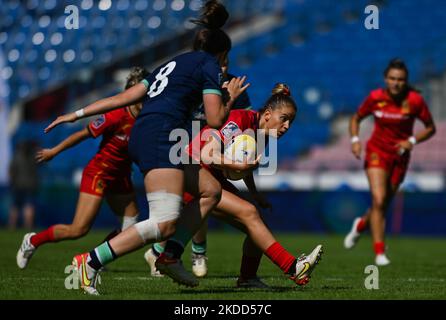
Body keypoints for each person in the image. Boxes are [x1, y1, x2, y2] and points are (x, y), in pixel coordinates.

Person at [45, 0, 249, 295]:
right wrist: (228, 96)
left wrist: (76, 114)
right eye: (226, 60)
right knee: (163, 223)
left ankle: (169, 257)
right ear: (222, 54)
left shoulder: (174, 62)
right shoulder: (210, 66)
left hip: (153, 133)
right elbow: (216, 120)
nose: (226, 66)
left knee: (211, 191)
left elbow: (124, 98)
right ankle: (89, 261)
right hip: (162, 135)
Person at [155, 83, 323, 289]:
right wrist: (240, 165)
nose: (287, 126)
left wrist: (255, 193)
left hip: (209, 177)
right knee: (249, 214)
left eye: (291, 122)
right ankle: (293, 268)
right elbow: (209, 154)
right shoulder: (239, 119)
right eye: (284, 119)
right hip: (193, 173)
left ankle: (248, 278)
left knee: (258, 227)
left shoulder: (261, 135)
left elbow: (244, 167)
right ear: (268, 115)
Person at [16, 67, 149, 269]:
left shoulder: (149, 116)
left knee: (130, 224)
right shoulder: (116, 114)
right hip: (100, 173)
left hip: (121, 175)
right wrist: (54, 151)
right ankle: (33, 241)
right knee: (78, 229)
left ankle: (96, 260)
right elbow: (83, 134)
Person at [144, 56, 257, 279]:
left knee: (201, 200)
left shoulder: (236, 87)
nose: (223, 68)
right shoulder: (194, 80)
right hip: (186, 144)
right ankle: (183, 252)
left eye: (226, 62)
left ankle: (168, 252)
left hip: (216, 149)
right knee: (191, 203)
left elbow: (245, 126)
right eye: (219, 63)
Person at [344, 58, 436, 266]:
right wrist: (355, 140)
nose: (396, 83)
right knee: (378, 199)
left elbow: (431, 128)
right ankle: (379, 252)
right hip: (377, 152)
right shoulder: (375, 97)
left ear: (406, 81)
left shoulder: (415, 101)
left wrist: (412, 140)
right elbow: (356, 118)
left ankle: (360, 225)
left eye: (400, 79)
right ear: (386, 79)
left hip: (400, 157)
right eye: (392, 78)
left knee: (383, 203)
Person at [8, 140, 39, 230]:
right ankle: (28, 226)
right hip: (30, 185)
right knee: (28, 206)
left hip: (17, 184)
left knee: (15, 206)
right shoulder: (33, 157)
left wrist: (12, 182)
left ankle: (11, 226)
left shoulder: (16, 157)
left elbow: (11, 171)